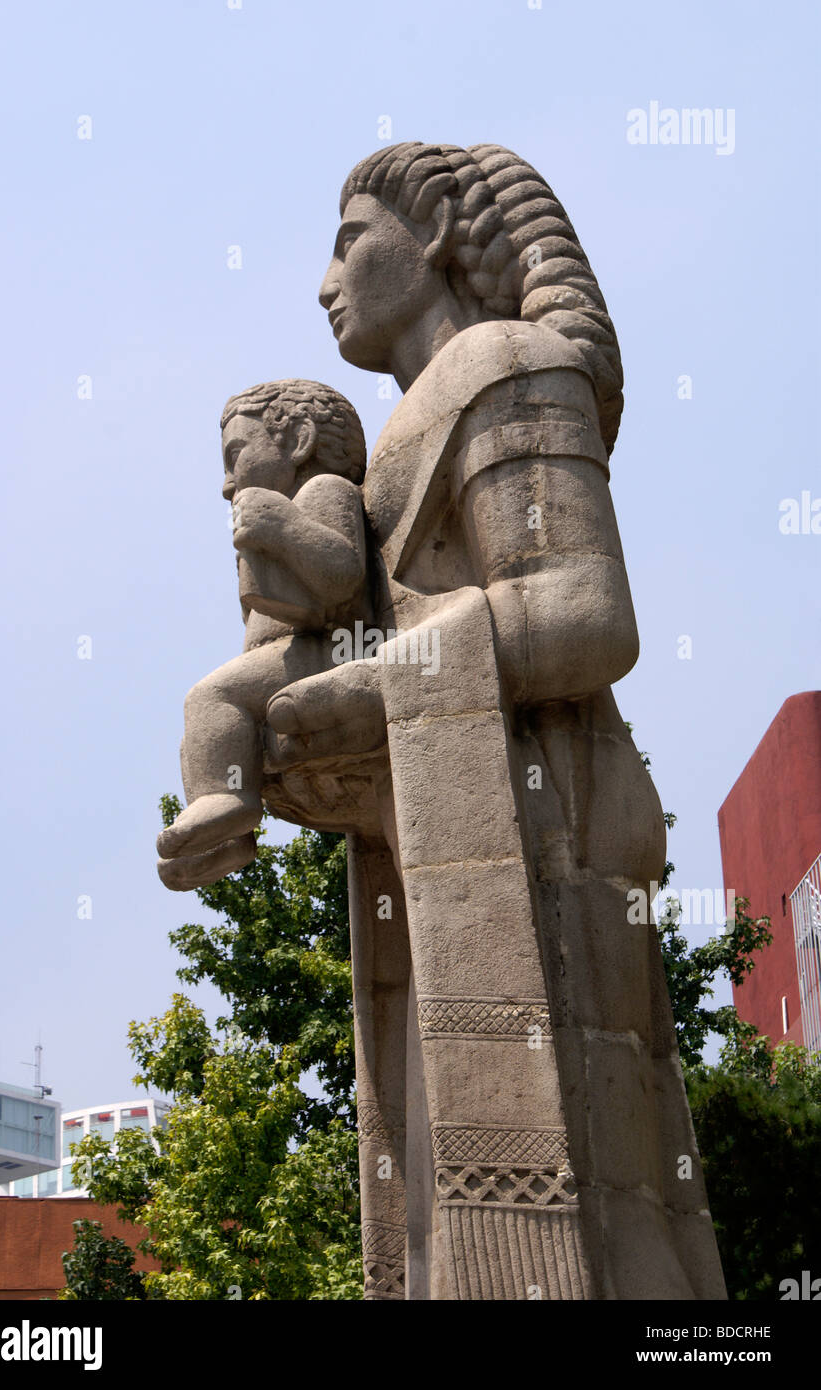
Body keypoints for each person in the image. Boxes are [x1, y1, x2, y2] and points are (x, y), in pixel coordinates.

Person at [257, 143, 728, 1300]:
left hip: (548, 817)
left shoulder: (511, 366)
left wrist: (379, 682)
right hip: (435, 829)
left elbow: (586, 612)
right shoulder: (385, 453)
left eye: (348, 238)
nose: (323, 279)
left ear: (430, 239)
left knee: (591, 1198)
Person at [157, 379, 367, 891]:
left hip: (333, 651)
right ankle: (223, 837)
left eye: (236, 456)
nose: (228, 483)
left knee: (212, 696)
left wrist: (283, 527)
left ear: (298, 439)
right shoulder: (278, 514)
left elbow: (343, 576)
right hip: (293, 656)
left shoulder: (325, 492)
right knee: (199, 735)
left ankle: (228, 800)